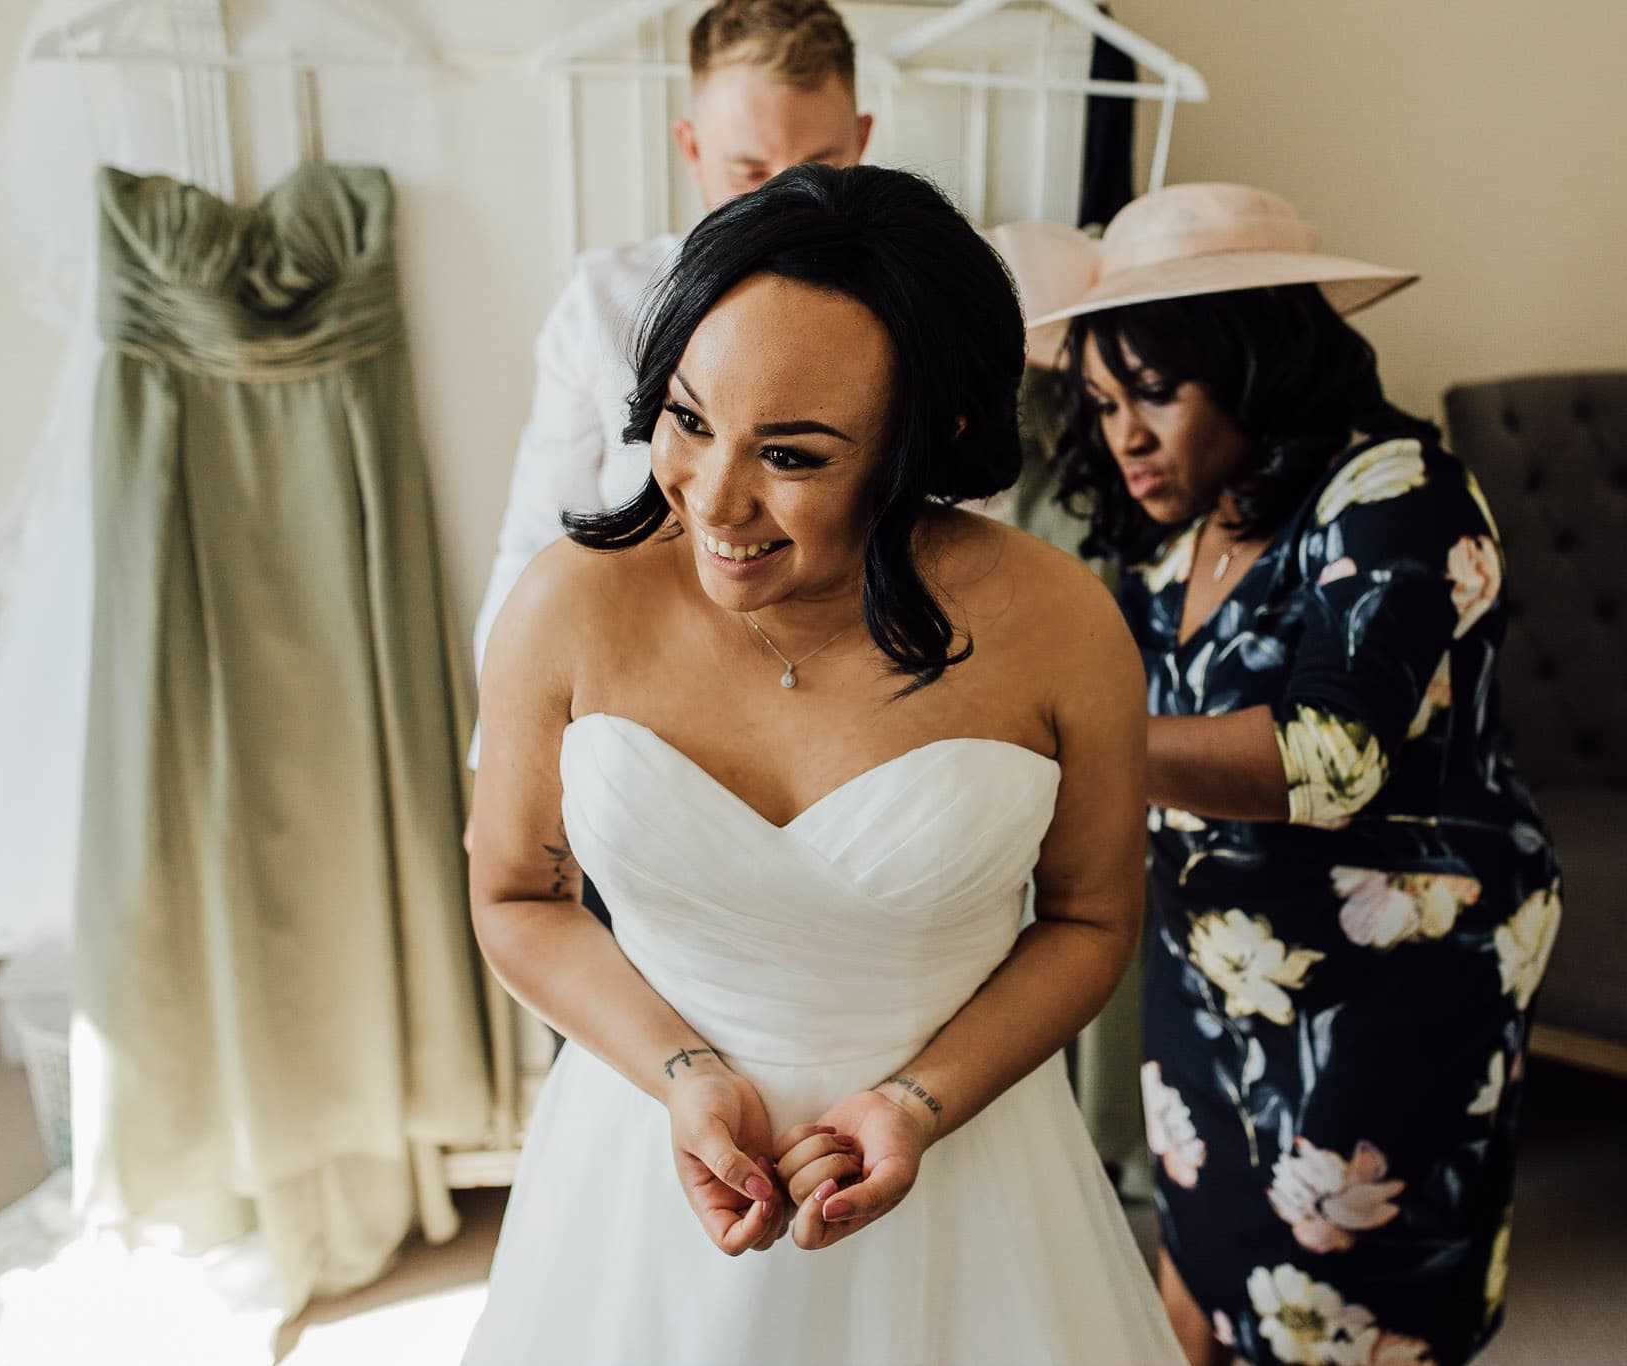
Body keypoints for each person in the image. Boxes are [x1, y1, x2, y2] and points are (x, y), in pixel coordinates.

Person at [459, 164, 1186, 1365]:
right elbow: (513, 895)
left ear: (930, 439)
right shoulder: (568, 606)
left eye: (791, 455)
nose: (714, 498)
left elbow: (1091, 919)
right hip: (647, 1150)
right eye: (688, 420)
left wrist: (913, 1103)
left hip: (966, 1163)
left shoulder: (1058, 624)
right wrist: (682, 1071)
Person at [1039, 183, 1563, 1366]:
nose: (1122, 436)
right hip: (1217, 958)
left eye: (1155, 395)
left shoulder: (1397, 496)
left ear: (1255, 358)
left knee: (1345, 1303)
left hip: (1388, 981)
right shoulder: (1185, 524)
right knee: (1199, 1254)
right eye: (1103, 402)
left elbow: (1329, 757)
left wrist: (1059, 744)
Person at [468, 0, 871, 760]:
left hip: (852, 731)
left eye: (819, 168)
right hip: (640, 738)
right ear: (690, 148)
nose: (786, 205)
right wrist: (503, 763)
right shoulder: (602, 306)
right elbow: (533, 544)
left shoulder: (923, 317)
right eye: (748, 171)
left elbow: (963, 534)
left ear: (864, 142)